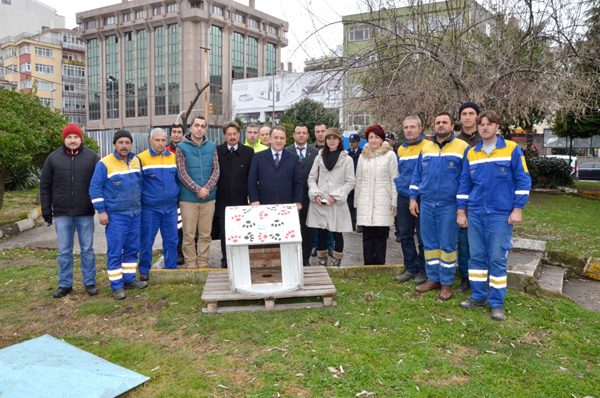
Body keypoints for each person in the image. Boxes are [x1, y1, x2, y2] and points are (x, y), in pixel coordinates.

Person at [457, 110, 531, 321]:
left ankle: (496, 303)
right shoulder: (472, 153)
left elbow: (524, 181)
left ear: (498, 126)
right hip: (476, 214)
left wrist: (518, 208)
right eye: (482, 125)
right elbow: (464, 184)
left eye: (489, 124)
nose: (485, 127)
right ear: (478, 128)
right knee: (477, 257)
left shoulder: (511, 149)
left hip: (500, 215)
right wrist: (461, 211)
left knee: (497, 259)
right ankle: (478, 296)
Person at [409, 112, 469, 301]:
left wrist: (462, 207)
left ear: (452, 126)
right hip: (426, 203)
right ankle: (433, 279)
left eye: (445, 122)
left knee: (447, 246)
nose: (441, 125)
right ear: (433, 126)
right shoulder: (426, 148)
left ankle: (446, 284)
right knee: (430, 245)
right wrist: (413, 198)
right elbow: (417, 176)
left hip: (449, 205)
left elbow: (466, 180)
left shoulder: (462, 147)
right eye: (437, 122)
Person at [40, 124, 100, 298]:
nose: (72, 140)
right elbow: (45, 186)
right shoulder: (53, 159)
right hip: (62, 213)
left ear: (81, 138)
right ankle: (65, 284)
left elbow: (100, 183)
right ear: (64, 139)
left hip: (85, 212)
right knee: (64, 251)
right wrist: (46, 209)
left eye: (75, 137)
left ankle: (89, 282)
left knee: (87, 250)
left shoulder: (92, 158)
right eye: (69, 137)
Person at [89, 130, 147, 300]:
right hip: (116, 216)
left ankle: (129, 280)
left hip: (135, 214)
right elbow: (95, 188)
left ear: (131, 144)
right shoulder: (104, 163)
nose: (124, 146)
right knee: (115, 250)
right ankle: (116, 285)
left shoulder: (136, 161)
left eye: (127, 142)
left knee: (132, 248)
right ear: (115, 144)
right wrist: (101, 211)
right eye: (121, 142)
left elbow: (140, 184)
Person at [307, 128, 355, 267]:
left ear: (339, 140)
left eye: (334, 138)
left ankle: (336, 260)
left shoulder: (347, 159)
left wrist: (337, 196)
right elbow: (311, 178)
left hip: (337, 201)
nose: (331, 141)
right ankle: (322, 259)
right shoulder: (319, 157)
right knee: (321, 231)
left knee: (337, 232)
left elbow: (350, 181)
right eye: (329, 138)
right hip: (321, 200)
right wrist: (315, 193)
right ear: (325, 140)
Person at [176, 116, 220, 269]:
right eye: (196, 125)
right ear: (191, 128)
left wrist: (207, 189)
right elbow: (182, 173)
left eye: (203, 126)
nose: (199, 128)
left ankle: (202, 263)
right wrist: (197, 189)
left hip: (208, 199)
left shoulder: (212, 146)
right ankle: (190, 263)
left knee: (205, 234)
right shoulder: (181, 147)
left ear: (206, 128)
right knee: (188, 235)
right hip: (188, 199)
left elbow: (216, 170)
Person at [137, 128, 179, 281]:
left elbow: (178, 180)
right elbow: (137, 184)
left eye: (163, 140)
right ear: (151, 141)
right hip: (150, 209)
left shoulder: (173, 158)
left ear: (166, 141)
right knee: (147, 240)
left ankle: (171, 269)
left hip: (170, 208)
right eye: (157, 140)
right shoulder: (141, 159)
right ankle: (144, 270)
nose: (160, 143)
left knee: (172, 239)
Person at [355, 124, 399, 265]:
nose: (373, 140)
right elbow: (359, 180)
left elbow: (394, 180)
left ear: (382, 139)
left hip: (383, 201)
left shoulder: (390, 155)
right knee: (367, 236)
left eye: (376, 137)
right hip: (365, 201)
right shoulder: (363, 156)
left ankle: (380, 266)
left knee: (380, 236)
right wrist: (357, 202)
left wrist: (394, 201)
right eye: (371, 137)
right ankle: (368, 265)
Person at [394, 116, 428, 285]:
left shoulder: (428, 147)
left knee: (422, 237)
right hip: (403, 197)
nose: (409, 130)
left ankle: (423, 269)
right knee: (405, 234)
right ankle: (410, 267)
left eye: (412, 127)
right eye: (406, 127)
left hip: (422, 198)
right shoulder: (400, 149)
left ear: (420, 129)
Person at [215, 121, 254, 268]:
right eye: (229, 134)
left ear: (239, 134)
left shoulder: (248, 152)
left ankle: (241, 259)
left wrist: (252, 199)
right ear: (224, 135)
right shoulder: (217, 151)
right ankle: (225, 260)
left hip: (242, 200)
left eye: (235, 134)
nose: (232, 137)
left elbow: (251, 178)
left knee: (242, 231)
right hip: (222, 200)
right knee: (225, 233)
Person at [454, 102, 481, 294]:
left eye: (472, 113)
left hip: (483, 200)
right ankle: (465, 278)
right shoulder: (455, 141)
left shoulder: (487, 139)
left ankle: (480, 278)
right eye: (464, 113)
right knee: (463, 243)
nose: (468, 117)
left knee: (481, 243)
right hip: (462, 200)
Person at [286, 123, 319, 266]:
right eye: (298, 132)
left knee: (307, 229)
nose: (301, 135)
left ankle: (305, 258)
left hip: (309, 197)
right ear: (293, 135)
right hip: (290, 197)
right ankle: (291, 259)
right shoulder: (286, 151)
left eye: (304, 133)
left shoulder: (316, 153)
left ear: (307, 135)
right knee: (291, 228)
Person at [248, 126, 302, 208]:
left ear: (285, 140)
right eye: (275, 137)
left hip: (287, 204)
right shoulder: (258, 157)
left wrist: (297, 201)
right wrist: (254, 199)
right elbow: (252, 180)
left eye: (282, 138)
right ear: (270, 139)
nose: (278, 141)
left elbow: (298, 182)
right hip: (263, 204)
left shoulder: (293, 158)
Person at [167, 122, 186, 265]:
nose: (177, 134)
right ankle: (178, 252)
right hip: (172, 195)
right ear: (170, 134)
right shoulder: (166, 150)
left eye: (179, 132)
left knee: (189, 226)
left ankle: (190, 251)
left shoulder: (187, 148)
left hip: (186, 193)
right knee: (176, 226)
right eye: (174, 132)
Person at [346, 133, 362, 231]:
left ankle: (360, 224)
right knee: (350, 204)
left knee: (359, 204)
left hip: (359, 181)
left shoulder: (362, 153)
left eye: (354, 142)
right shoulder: (347, 153)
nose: (352, 144)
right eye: (350, 142)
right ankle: (351, 224)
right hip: (350, 181)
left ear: (358, 142)